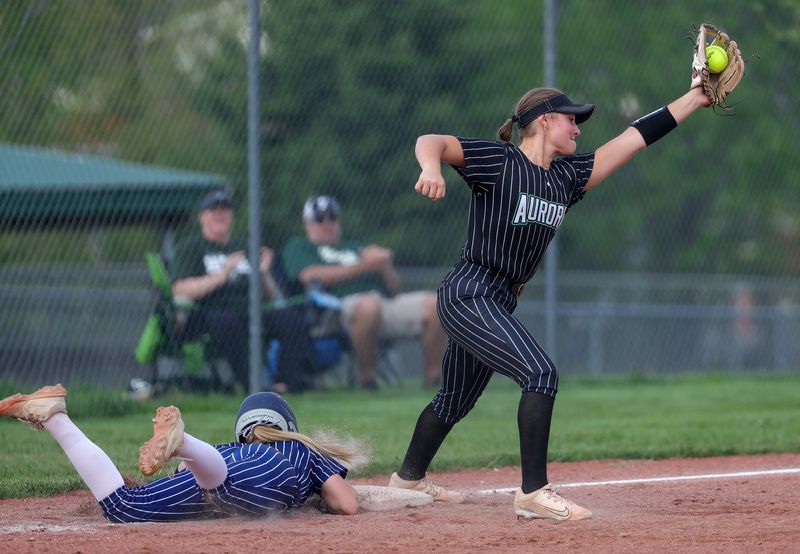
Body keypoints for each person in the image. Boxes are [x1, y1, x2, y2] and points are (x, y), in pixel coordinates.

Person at [385, 79, 722, 519]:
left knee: (455, 401)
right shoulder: (499, 162)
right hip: (468, 291)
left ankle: (408, 480)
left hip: (498, 299)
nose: (578, 129)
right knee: (540, 373)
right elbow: (431, 141)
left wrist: (695, 97)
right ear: (543, 121)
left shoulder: (567, 178)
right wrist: (430, 168)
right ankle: (532, 492)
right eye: (571, 119)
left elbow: (634, 138)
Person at [0, 384, 365, 521]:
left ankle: (55, 417)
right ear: (288, 425)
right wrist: (315, 499)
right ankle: (182, 442)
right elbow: (346, 503)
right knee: (221, 484)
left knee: (127, 505)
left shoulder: (232, 449)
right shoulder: (299, 449)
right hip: (262, 480)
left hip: (213, 464)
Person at [281, 195, 447, 390]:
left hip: (383, 303)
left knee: (438, 304)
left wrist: (384, 266)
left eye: (332, 218)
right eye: (319, 219)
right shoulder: (300, 246)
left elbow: (394, 288)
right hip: (336, 309)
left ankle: (433, 378)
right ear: (307, 224)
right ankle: (367, 378)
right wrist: (365, 266)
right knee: (369, 306)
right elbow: (309, 275)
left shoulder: (354, 247)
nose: (327, 224)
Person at [171, 189, 315, 393]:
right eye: (213, 210)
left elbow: (270, 296)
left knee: (291, 319)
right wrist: (222, 276)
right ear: (202, 216)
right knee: (226, 321)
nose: (220, 214)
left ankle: (288, 384)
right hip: (206, 314)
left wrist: (264, 273)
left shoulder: (246, 246)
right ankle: (254, 386)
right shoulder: (191, 247)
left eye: (225, 210)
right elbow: (180, 289)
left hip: (248, 312)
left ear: (232, 217)